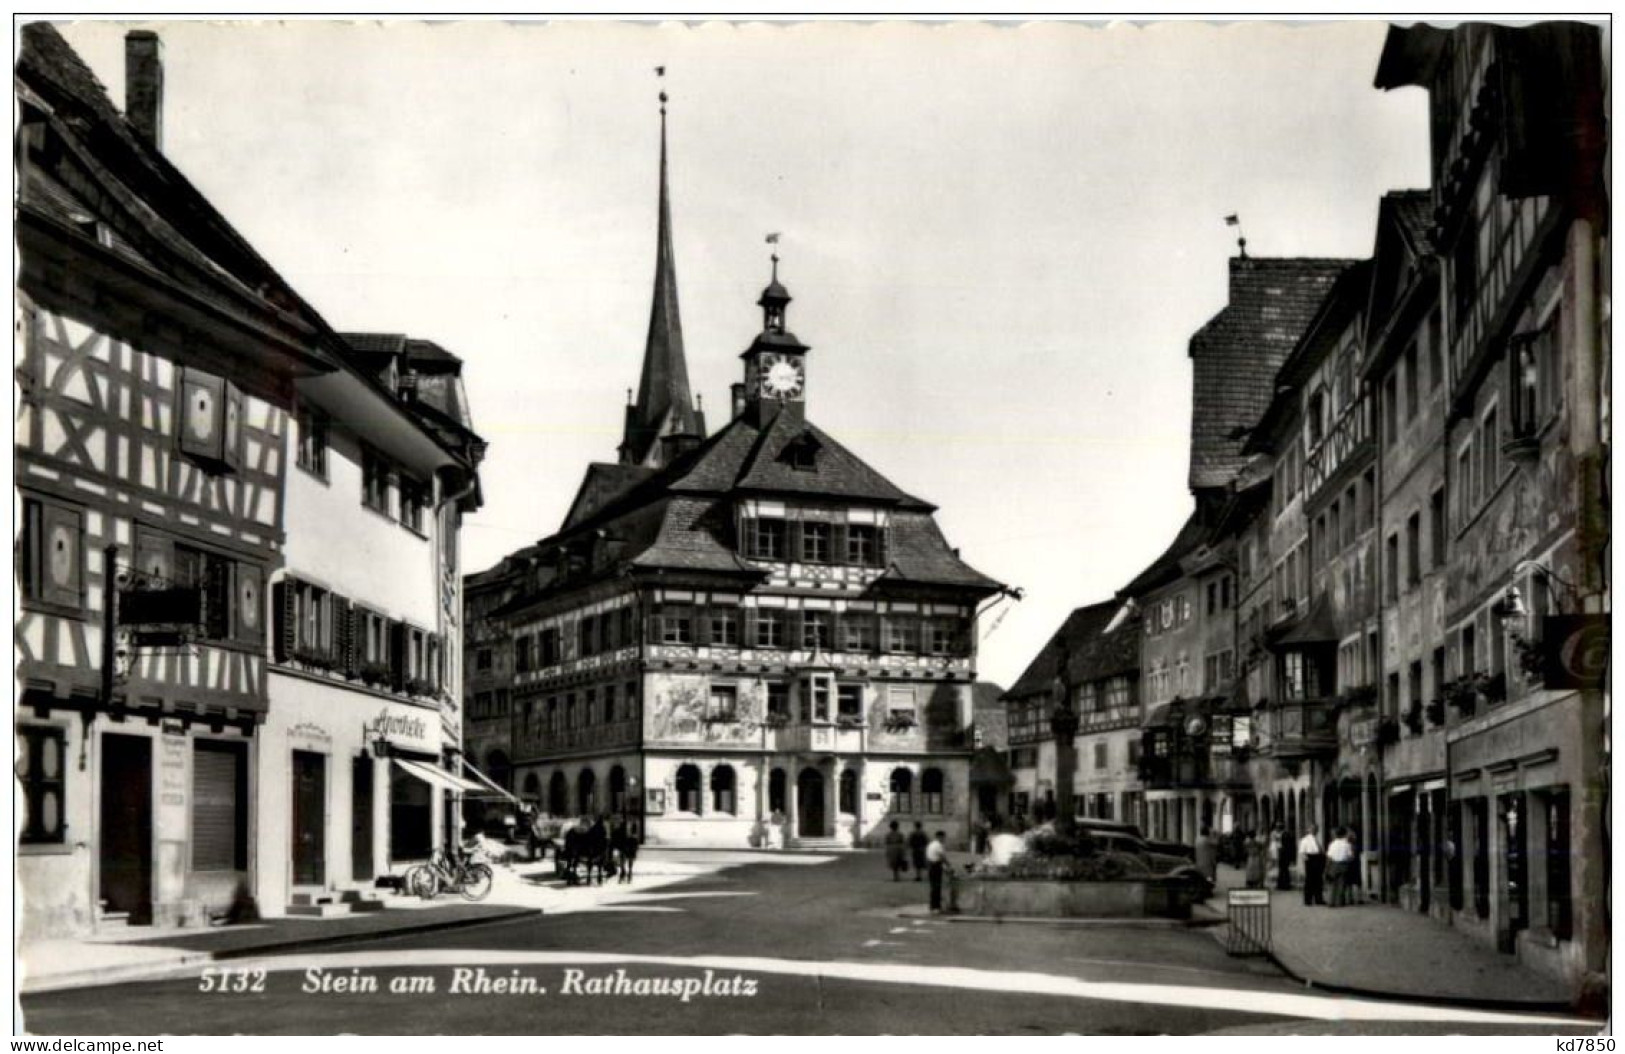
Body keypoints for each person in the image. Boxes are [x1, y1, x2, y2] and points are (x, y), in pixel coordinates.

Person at [1297, 823, 1326, 905]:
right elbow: (1302, 852)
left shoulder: (1318, 839)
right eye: (1312, 829)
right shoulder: (1304, 840)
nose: (1314, 831)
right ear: (1308, 830)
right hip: (1310, 859)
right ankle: (1308, 900)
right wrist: (1307, 861)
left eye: (1316, 829)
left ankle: (1318, 899)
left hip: (1318, 858)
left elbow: (1320, 849)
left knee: (1318, 880)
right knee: (1309, 880)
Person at [1326, 827, 1354, 907]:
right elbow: (1350, 856)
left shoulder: (1332, 844)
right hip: (1343, 864)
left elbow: (1329, 857)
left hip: (1334, 864)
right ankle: (1339, 902)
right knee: (1341, 884)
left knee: (1332, 884)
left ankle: (1331, 901)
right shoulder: (1347, 845)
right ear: (1344, 834)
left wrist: (1327, 868)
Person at [925, 830, 951, 913]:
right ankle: (936, 907)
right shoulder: (938, 845)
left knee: (934, 886)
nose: (944, 839)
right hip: (935, 866)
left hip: (931, 865)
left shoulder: (931, 844)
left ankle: (933, 906)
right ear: (940, 837)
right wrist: (948, 865)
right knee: (936, 887)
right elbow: (942, 857)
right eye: (943, 837)